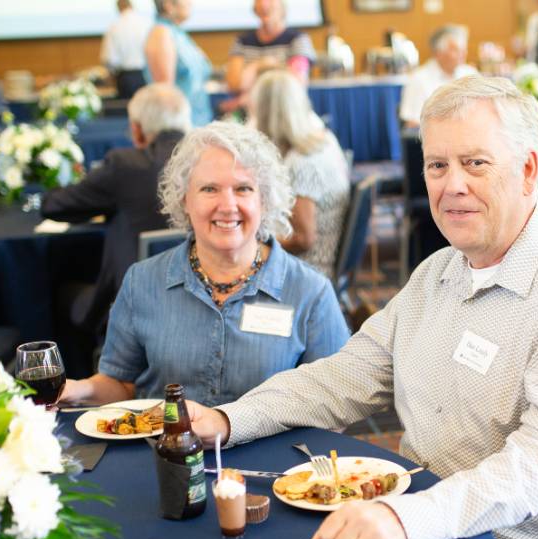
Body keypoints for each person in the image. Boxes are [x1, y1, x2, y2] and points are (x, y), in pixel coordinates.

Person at [187, 77, 538, 539]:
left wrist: (408, 521)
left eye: (475, 163)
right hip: (434, 530)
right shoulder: (438, 273)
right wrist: (225, 420)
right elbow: (342, 379)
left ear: (529, 170)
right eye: (436, 166)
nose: (452, 186)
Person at [58, 121, 349, 407]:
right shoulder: (142, 282)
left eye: (243, 189)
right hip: (166, 451)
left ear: (264, 200)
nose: (227, 205)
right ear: (185, 200)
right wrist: (78, 389)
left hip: (273, 453)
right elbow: (122, 384)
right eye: (210, 189)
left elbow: (334, 401)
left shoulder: (310, 292)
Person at [41, 83, 191, 355]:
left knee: (61, 290)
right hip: (201, 303)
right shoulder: (207, 162)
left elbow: (55, 205)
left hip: (132, 307)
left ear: (136, 129)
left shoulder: (126, 164)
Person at [249, 70, 350, 278]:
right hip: (327, 258)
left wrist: (253, 248)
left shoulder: (301, 164)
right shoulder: (326, 140)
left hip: (310, 269)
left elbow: (304, 239)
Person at [222, 0, 316, 112]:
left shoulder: (298, 39)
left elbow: (297, 82)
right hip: (249, 115)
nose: (264, 4)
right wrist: (261, 64)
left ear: (282, 6)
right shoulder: (241, 41)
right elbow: (234, 84)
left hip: (286, 111)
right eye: (259, 1)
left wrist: (250, 94)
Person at [145, 0, 213, 127]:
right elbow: (165, 94)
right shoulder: (161, 34)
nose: (191, 3)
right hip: (181, 127)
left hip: (198, 123)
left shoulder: (177, 32)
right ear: (168, 5)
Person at [399, 25, 478, 127]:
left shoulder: (470, 74)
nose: (463, 54)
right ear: (438, 53)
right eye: (456, 50)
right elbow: (412, 124)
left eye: (463, 49)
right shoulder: (418, 79)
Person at [101, 0, 152, 101]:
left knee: (127, 111)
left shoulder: (114, 27)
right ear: (132, 6)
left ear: (118, 8)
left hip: (126, 77)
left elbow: (109, 59)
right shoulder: (147, 23)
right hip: (147, 74)